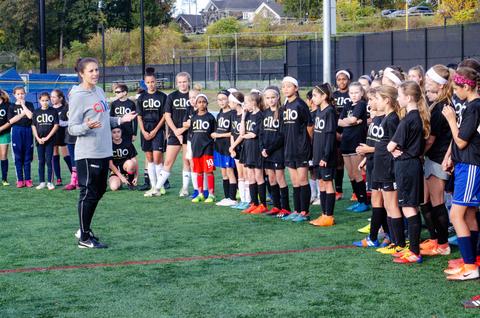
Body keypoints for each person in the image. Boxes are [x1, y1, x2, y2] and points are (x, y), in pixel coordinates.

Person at [69, 57, 136, 249]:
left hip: (104, 151)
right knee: (88, 192)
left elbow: (105, 120)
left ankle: (85, 230)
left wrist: (121, 120)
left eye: (97, 70)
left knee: (99, 191)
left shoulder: (99, 91)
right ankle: (84, 237)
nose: (95, 73)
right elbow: (72, 128)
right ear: (81, 73)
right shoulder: (78, 96)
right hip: (88, 152)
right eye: (90, 71)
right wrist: (85, 126)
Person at [441, 66, 480, 280]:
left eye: (457, 88)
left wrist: (451, 120)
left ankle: (470, 266)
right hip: (466, 164)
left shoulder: (474, 107)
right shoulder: (471, 105)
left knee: (456, 215)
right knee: (468, 214)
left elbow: (462, 141)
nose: (455, 93)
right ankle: (472, 260)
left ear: (467, 86)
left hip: (471, 165)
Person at [387, 80, 430, 264]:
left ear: (409, 97)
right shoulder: (416, 117)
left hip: (406, 166)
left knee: (409, 208)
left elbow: (390, 146)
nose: (398, 98)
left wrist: (395, 150)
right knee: (409, 207)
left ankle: (414, 251)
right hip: (411, 164)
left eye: (400, 95)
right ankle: (413, 250)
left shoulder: (408, 119)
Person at [420, 65, 453, 256]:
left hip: (439, 159)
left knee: (437, 202)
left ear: (439, 86)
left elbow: (431, 139)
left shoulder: (442, 105)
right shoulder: (436, 102)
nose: (426, 82)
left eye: (429, 80)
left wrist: (416, 153)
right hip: (433, 158)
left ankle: (442, 244)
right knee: (426, 200)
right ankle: (435, 239)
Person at [353, 87, 389, 245]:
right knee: (377, 202)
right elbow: (375, 142)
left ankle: (376, 237)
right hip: (374, 163)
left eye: (373, 99)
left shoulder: (388, 119)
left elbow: (389, 145)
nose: (370, 102)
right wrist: (366, 158)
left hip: (383, 165)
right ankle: (382, 235)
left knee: (381, 202)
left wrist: (369, 150)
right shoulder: (375, 119)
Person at [279, 76, 313, 222]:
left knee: (303, 179)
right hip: (289, 148)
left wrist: (307, 142)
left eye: (289, 86)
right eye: (283, 86)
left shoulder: (301, 104)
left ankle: (305, 212)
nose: (286, 89)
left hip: (301, 149)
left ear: (296, 88)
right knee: (295, 181)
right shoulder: (285, 106)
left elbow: (310, 126)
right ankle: (297, 210)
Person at [154, 72, 192, 195]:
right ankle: (157, 188)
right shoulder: (171, 96)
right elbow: (167, 115)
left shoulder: (193, 96)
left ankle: (185, 189)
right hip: (174, 133)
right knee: (168, 161)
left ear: (189, 82)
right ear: (176, 83)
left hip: (189, 134)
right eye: (180, 82)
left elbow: (196, 116)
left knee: (187, 162)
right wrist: (176, 131)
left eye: (184, 81)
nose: (182, 84)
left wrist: (182, 130)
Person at [309, 83, 337, 227]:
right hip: (318, 155)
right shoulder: (319, 111)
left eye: (315, 95)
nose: (312, 98)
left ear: (324, 96)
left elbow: (330, 136)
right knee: (321, 183)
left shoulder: (330, 112)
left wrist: (325, 156)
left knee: (327, 183)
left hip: (326, 156)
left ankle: (329, 216)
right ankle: (324, 214)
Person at [338, 82, 369, 212]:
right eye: (351, 93)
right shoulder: (348, 104)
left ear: (361, 93)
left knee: (357, 174)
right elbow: (339, 122)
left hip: (357, 142)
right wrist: (354, 122)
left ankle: (364, 202)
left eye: (356, 92)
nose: (354, 95)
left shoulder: (362, 104)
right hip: (346, 142)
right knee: (350, 174)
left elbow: (352, 119)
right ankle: (358, 200)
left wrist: (352, 121)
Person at [137, 68, 167, 197]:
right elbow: (139, 116)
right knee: (149, 158)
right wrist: (143, 131)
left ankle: (160, 187)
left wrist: (155, 130)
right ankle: (153, 186)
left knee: (157, 158)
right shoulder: (141, 97)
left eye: (153, 82)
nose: (151, 84)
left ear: (156, 82)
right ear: (145, 83)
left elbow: (165, 115)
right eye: (148, 82)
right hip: (145, 130)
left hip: (158, 130)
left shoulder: (162, 96)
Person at [261, 86, 290, 216]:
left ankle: (286, 208)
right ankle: (276, 206)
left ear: (278, 97)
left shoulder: (283, 112)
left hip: (277, 151)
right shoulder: (265, 113)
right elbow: (261, 133)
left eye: (273, 97)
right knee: (271, 179)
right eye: (268, 98)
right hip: (266, 152)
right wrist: (262, 148)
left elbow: (282, 135)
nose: (270, 100)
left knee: (280, 178)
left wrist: (269, 149)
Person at [240, 92, 267, 214]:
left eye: (246, 102)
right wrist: (243, 116)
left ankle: (263, 204)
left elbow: (254, 134)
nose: (245, 104)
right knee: (250, 176)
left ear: (253, 102)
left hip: (256, 148)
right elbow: (242, 133)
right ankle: (254, 203)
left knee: (258, 176)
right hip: (248, 148)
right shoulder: (248, 115)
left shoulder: (260, 115)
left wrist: (245, 135)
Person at [187, 94, 217, 203]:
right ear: (196, 104)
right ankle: (200, 194)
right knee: (199, 172)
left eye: (203, 101)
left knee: (208, 171)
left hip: (208, 149)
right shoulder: (194, 117)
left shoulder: (210, 117)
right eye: (199, 102)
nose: (201, 104)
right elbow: (191, 133)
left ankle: (211, 194)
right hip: (196, 148)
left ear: (207, 103)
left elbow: (214, 133)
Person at [213, 90, 238, 207]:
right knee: (224, 173)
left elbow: (233, 132)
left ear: (229, 99)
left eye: (224, 99)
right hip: (219, 147)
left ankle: (233, 198)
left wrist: (219, 135)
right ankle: (227, 197)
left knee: (230, 171)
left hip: (228, 147)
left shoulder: (232, 113)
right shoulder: (220, 113)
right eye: (219, 99)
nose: (221, 101)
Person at [8, 86, 34, 188]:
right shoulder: (11, 107)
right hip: (16, 131)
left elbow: (31, 116)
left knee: (27, 156)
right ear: (14, 95)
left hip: (27, 130)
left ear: (25, 94)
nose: (20, 95)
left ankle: (28, 179)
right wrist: (24, 113)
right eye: (18, 94)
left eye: (22, 93)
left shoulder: (29, 104)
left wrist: (23, 106)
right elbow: (11, 121)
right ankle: (20, 179)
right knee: (18, 156)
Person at [32, 92, 59, 190]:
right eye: (42, 101)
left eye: (46, 100)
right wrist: (38, 138)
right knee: (41, 161)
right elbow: (33, 126)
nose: (44, 102)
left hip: (50, 140)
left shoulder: (53, 111)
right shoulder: (36, 112)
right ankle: (42, 182)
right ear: (39, 101)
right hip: (39, 141)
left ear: (49, 101)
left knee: (48, 160)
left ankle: (50, 182)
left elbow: (56, 125)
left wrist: (47, 137)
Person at [333, 69, 352, 200]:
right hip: (337, 132)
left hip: (350, 132)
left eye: (344, 79)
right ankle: (338, 191)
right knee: (338, 162)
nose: (341, 81)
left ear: (349, 80)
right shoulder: (333, 95)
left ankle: (357, 192)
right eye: (339, 79)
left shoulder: (353, 94)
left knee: (353, 164)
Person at [229, 91, 250, 210]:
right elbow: (233, 132)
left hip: (244, 147)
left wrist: (233, 146)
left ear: (235, 102)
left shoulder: (245, 114)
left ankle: (248, 200)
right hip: (235, 148)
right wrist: (232, 147)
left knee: (247, 175)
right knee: (240, 175)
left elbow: (242, 134)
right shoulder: (233, 114)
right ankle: (242, 200)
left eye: (230, 101)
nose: (228, 103)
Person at [51, 89, 71, 186]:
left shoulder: (65, 108)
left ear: (60, 98)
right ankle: (58, 178)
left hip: (63, 135)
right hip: (53, 135)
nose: (52, 99)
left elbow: (69, 122)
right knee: (55, 155)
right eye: (51, 97)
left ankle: (74, 175)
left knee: (66, 156)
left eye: (54, 97)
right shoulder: (50, 110)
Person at [109, 127, 138, 191]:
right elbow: (110, 164)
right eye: (114, 132)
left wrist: (136, 176)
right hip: (115, 171)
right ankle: (121, 181)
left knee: (130, 163)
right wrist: (121, 177)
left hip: (126, 168)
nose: (116, 134)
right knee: (114, 187)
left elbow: (134, 161)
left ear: (121, 132)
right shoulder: (108, 145)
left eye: (118, 132)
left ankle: (130, 182)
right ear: (110, 134)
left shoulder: (128, 143)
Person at [0, 89, 12, 185]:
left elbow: (10, 121)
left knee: (3, 155)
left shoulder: (7, 105)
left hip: (4, 133)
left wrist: (1, 129)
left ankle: (4, 179)